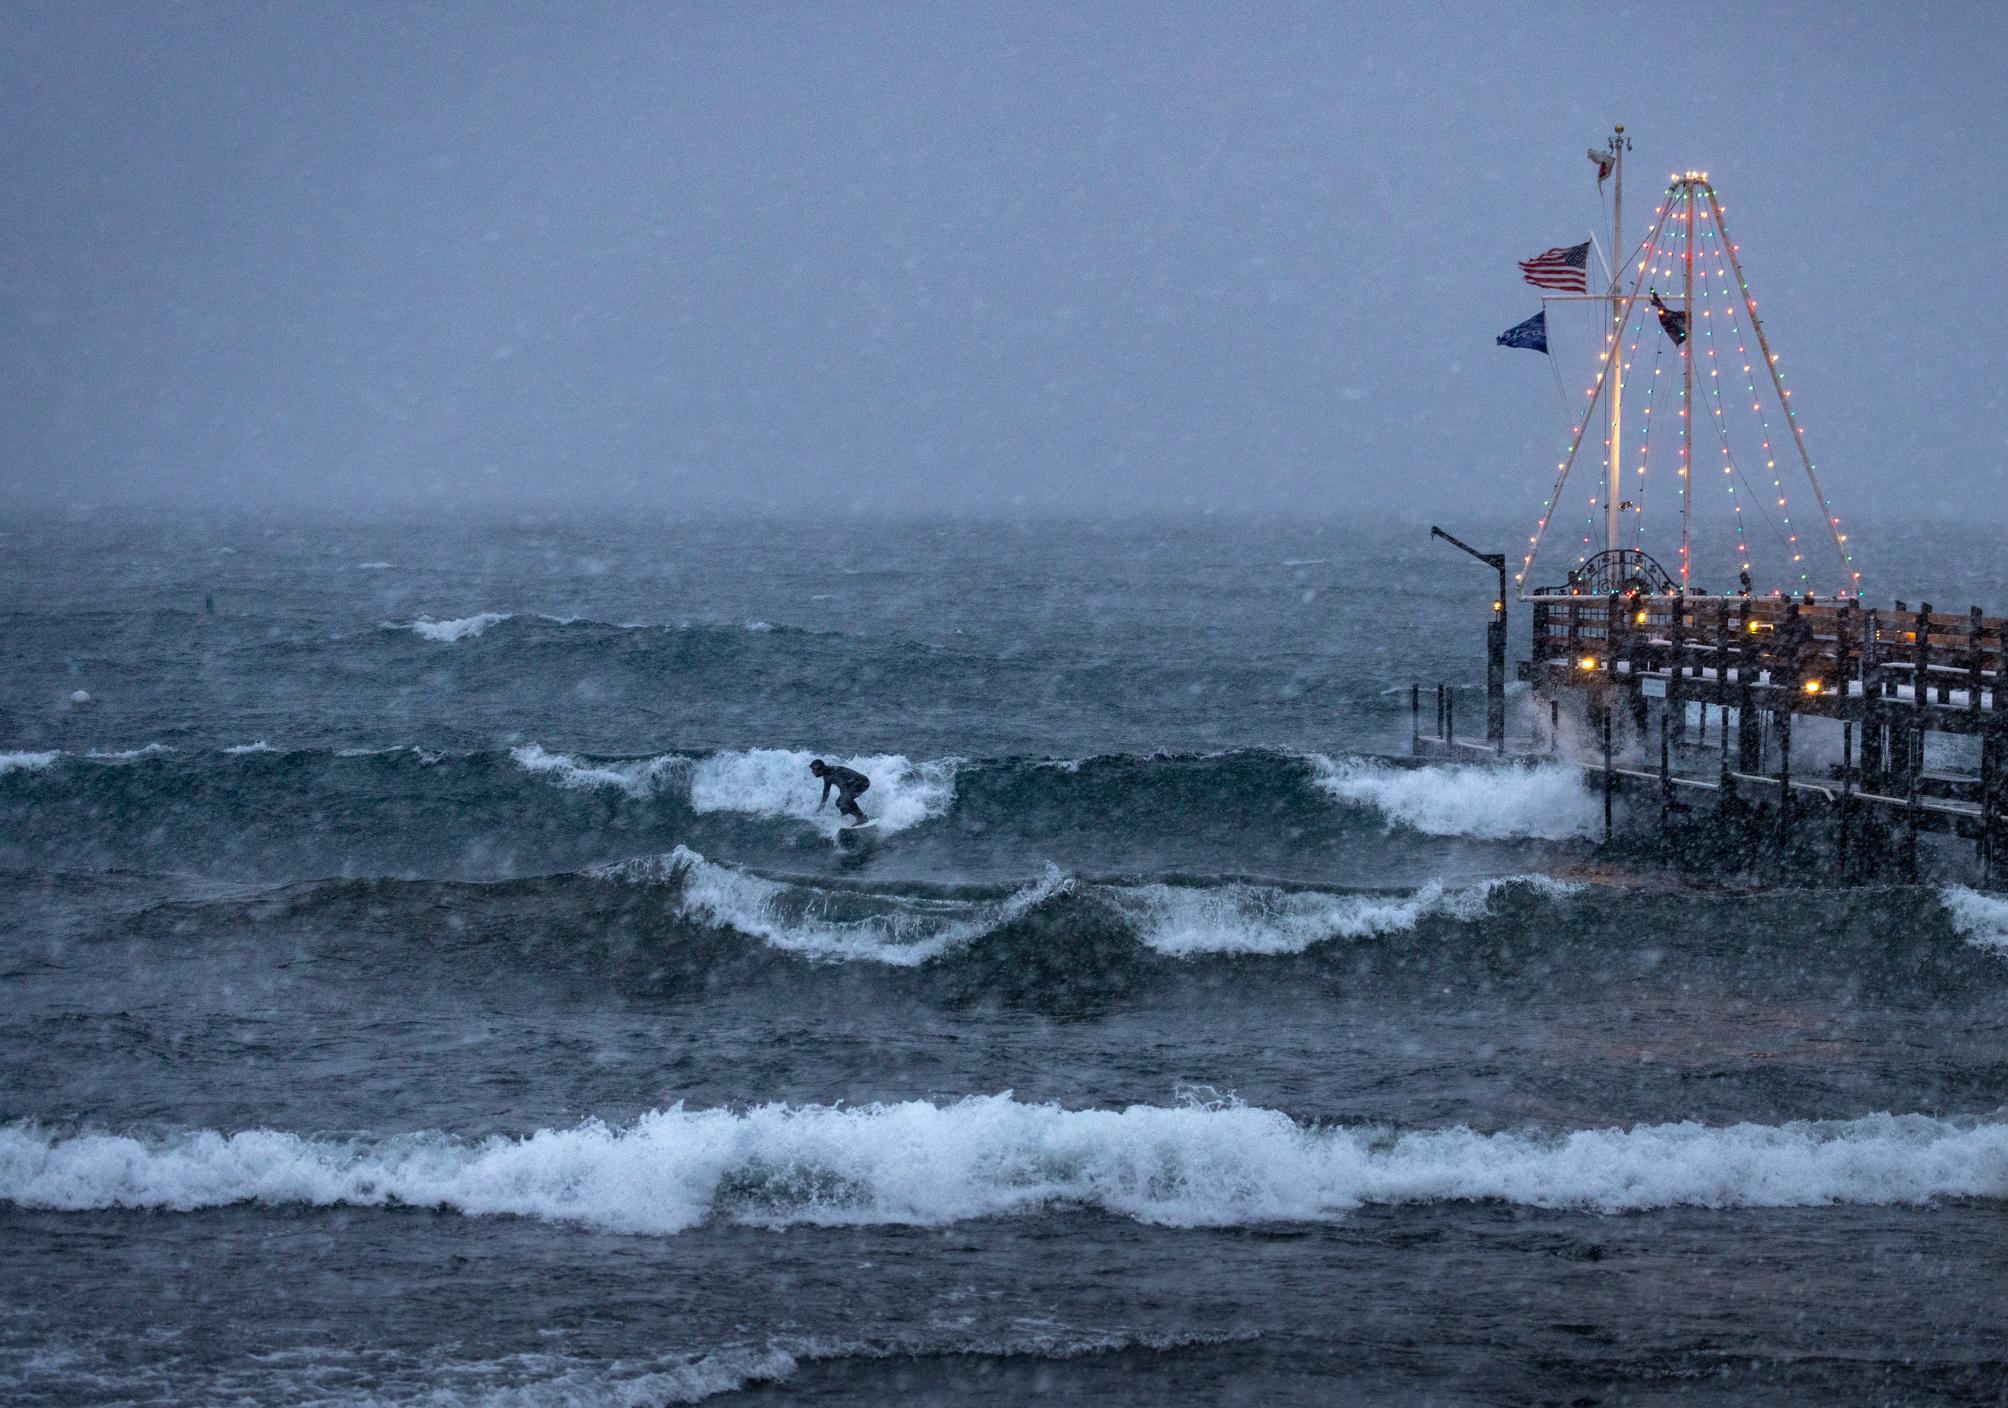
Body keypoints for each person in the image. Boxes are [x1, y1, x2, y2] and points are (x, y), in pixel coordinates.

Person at [810, 758, 871, 826]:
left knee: (844, 800)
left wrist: (844, 802)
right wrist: (822, 805)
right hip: (854, 785)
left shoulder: (834, 771)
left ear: (819, 768)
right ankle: (859, 817)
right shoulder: (826, 776)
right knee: (839, 803)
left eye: (813, 769)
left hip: (863, 782)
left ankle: (861, 817)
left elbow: (844, 787)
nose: (812, 772)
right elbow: (826, 791)